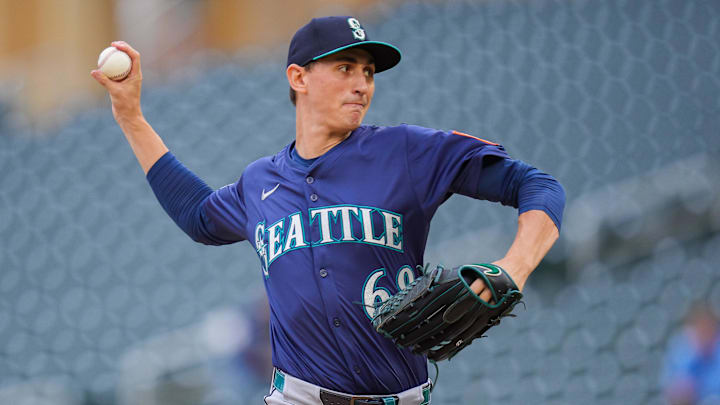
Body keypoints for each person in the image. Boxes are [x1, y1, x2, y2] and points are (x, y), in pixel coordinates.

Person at [91, 16, 565, 405]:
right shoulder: (260, 182)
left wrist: (513, 268)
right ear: (298, 77)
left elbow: (536, 185)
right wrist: (131, 117)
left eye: (368, 72)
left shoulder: (406, 151)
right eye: (345, 68)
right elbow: (198, 215)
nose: (362, 84)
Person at [662, 303, 720, 405]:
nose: (704, 333)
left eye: (708, 327)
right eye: (699, 328)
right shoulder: (683, 350)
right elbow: (674, 391)